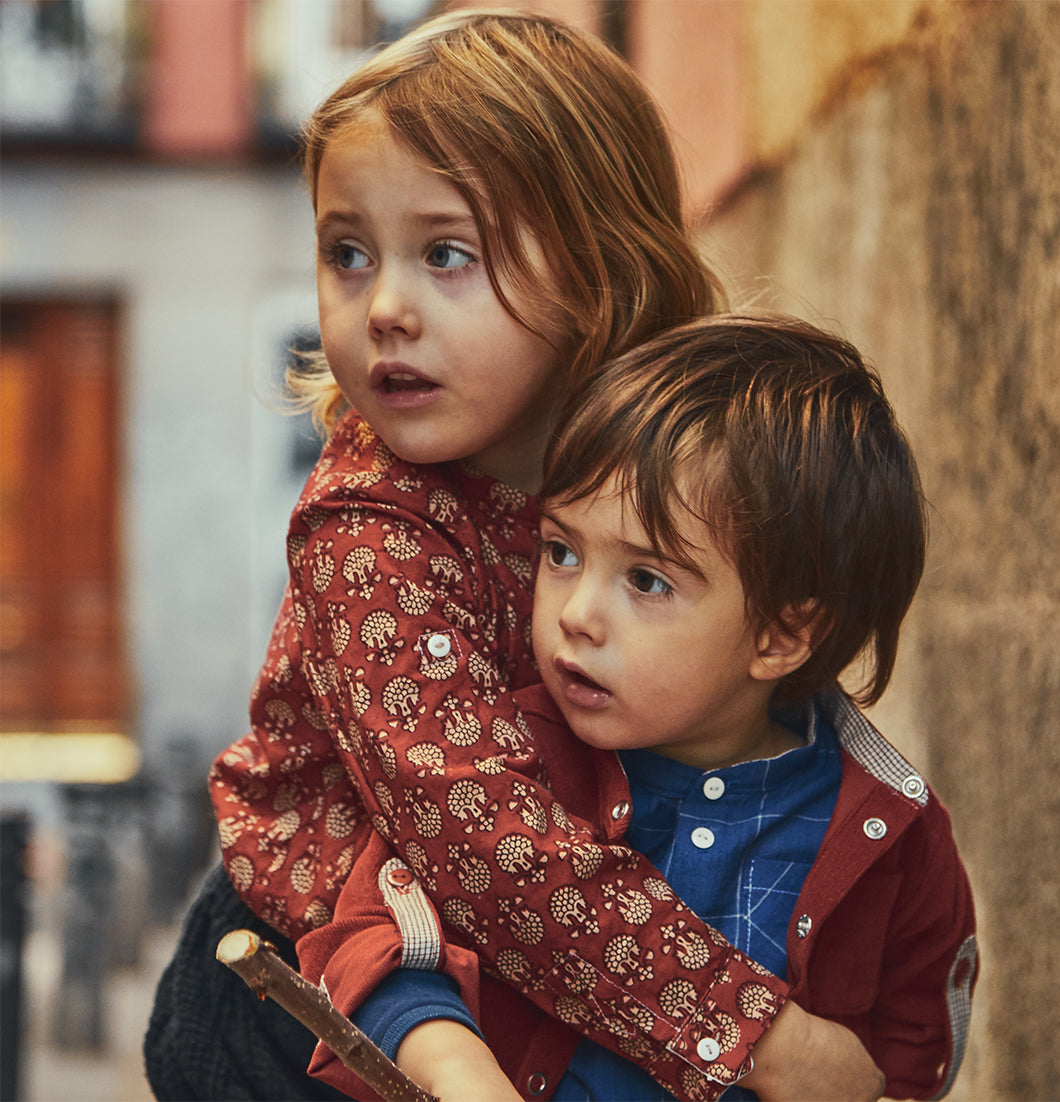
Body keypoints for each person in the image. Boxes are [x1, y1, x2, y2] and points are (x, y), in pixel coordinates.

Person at [146, 11, 881, 1102]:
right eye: (348, 252)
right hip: (305, 1006)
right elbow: (487, 844)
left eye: (446, 254)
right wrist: (758, 1036)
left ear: (597, 268)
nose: (384, 308)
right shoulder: (371, 526)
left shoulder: (658, 472)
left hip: (540, 978)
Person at [303, 313, 978, 1102]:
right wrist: (463, 1077)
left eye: (647, 581)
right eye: (561, 552)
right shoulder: (507, 763)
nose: (576, 613)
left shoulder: (887, 838)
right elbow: (380, 946)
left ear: (782, 635)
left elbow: (905, 1060)